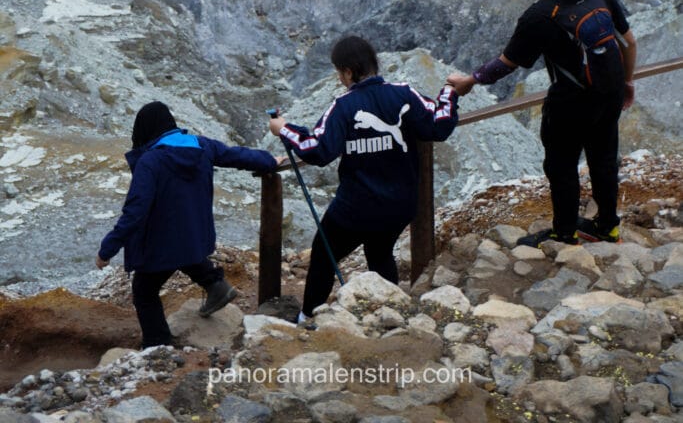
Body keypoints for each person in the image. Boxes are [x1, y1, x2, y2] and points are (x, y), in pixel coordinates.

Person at [447, 0, 637, 247]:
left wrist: (469, 81)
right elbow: (629, 41)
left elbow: (506, 64)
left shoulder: (539, 16)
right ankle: (607, 227)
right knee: (604, 159)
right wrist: (627, 83)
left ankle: (564, 233)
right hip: (610, 93)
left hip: (570, 104)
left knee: (561, 166)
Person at [269, 35, 471, 324]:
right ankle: (393, 313)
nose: (339, 79)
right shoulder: (403, 93)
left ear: (349, 71)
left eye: (339, 72)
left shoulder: (343, 106)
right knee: (380, 251)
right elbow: (438, 125)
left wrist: (284, 129)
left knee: (324, 254)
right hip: (400, 204)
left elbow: (318, 149)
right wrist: (450, 91)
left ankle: (307, 316)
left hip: (355, 208)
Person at [96, 100, 279, 347]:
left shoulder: (151, 161)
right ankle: (216, 286)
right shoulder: (202, 146)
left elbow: (135, 211)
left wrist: (108, 249)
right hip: (195, 235)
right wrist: (268, 160)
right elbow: (236, 155)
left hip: (161, 242)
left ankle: (157, 345)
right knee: (186, 251)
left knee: (144, 291)